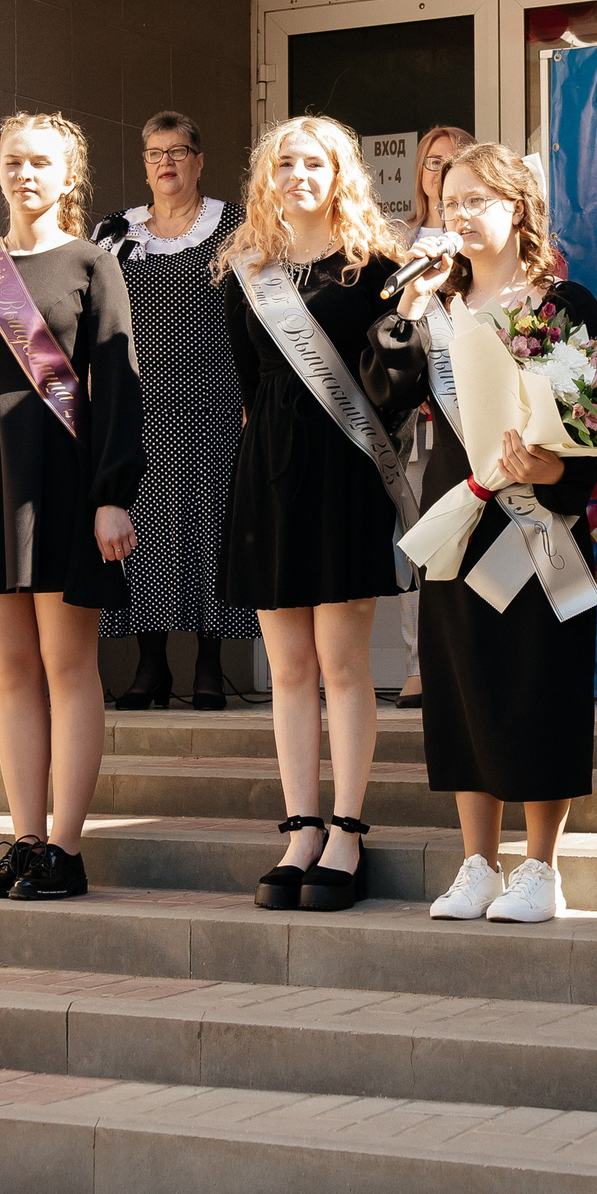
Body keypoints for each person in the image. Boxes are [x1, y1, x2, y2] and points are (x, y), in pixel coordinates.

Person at [0, 113, 143, 903]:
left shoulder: (91, 263)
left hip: (66, 486)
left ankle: (68, 849)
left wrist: (113, 493)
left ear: (68, 175)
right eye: (14, 160)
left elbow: (117, 384)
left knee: (67, 666)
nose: (25, 174)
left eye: (42, 162)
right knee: (9, 670)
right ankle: (25, 839)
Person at [397, 143, 597, 926]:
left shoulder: (562, 301)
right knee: (461, 687)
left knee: (538, 686)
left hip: (537, 523)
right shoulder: (435, 306)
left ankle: (539, 868)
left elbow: (596, 426)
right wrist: (408, 312)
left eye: (478, 200)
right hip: (460, 514)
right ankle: (477, 863)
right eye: (451, 202)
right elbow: (384, 393)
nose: (461, 215)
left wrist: (554, 472)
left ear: (516, 207)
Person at [219, 115, 422, 912]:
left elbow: (398, 384)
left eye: (314, 162)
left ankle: (347, 829)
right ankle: (300, 826)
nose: (297, 174)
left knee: (342, 667)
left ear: (341, 173)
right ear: (266, 177)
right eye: (284, 162)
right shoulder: (244, 268)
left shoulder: (377, 267)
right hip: (269, 474)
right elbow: (248, 387)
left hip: (345, 473)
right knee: (289, 670)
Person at [92, 111, 255, 713]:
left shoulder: (235, 227)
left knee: (212, 525)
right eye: (155, 153)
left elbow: (257, 317)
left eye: (179, 151)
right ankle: (151, 667)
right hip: (138, 401)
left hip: (216, 398)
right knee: (147, 528)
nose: (167, 162)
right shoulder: (114, 231)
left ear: (200, 160)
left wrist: (250, 395)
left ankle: (210, 667)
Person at [395, 124, 474, 711]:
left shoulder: (484, 240)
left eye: (453, 162)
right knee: (417, 541)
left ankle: (462, 658)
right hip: (409, 423)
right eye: (431, 161)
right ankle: (419, 663)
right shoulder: (393, 242)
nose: (439, 171)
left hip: (470, 417)